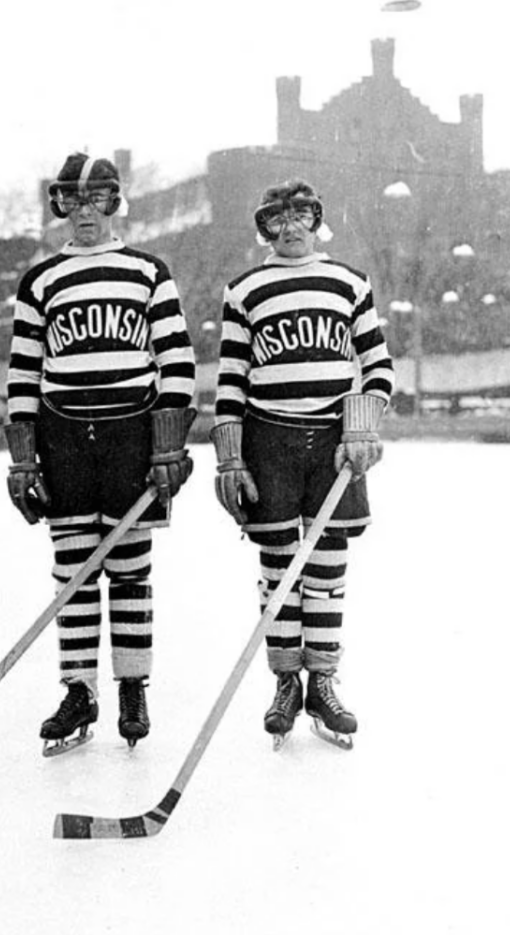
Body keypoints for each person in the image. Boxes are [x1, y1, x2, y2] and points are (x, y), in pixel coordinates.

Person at [5, 152, 196, 755]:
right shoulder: (40, 280)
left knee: (130, 569)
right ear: (59, 206)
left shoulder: (147, 272)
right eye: (72, 202)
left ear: (115, 204)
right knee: (73, 571)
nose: (83, 214)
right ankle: (79, 689)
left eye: (96, 201)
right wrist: (23, 456)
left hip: (129, 440)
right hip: (63, 440)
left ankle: (132, 685)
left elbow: (177, 361)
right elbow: (22, 376)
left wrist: (167, 445)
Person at [211, 179, 394, 749]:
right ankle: (286, 681)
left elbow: (379, 365)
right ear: (265, 229)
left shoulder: (347, 282)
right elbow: (231, 381)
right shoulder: (245, 290)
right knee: (278, 567)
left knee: (327, 566)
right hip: (269, 438)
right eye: (277, 220)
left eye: (301, 217)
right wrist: (231, 457)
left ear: (317, 220)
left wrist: (362, 424)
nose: (291, 229)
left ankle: (324, 681)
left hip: (333, 441)